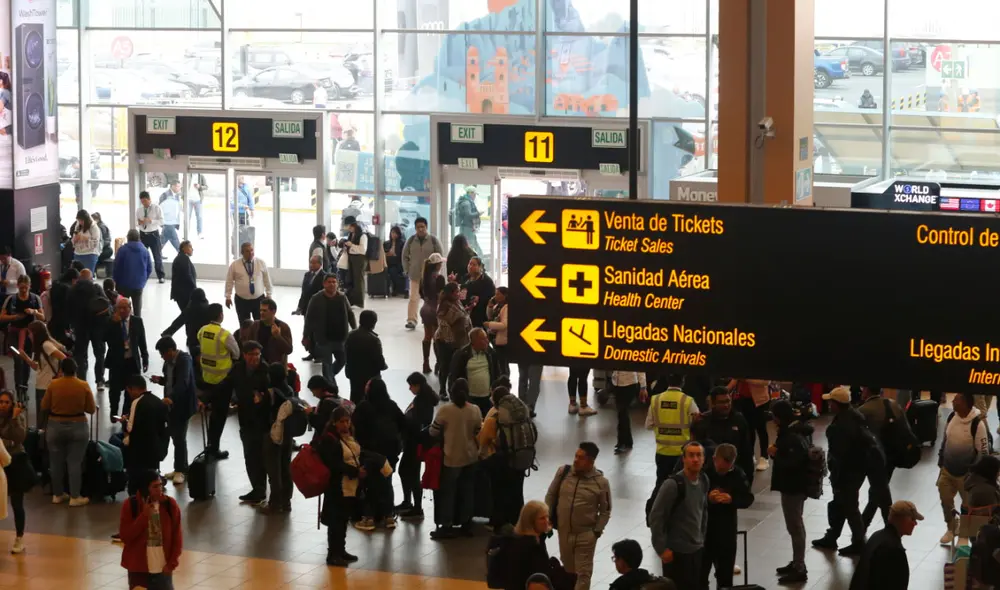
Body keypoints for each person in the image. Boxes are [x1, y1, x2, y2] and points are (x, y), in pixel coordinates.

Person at [812, 386, 876, 556]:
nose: (829, 405)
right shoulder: (856, 416)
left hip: (846, 473)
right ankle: (832, 536)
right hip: (858, 470)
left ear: (836, 404)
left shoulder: (840, 426)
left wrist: (836, 477)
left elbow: (840, 455)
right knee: (842, 505)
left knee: (850, 508)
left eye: (831, 402)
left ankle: (859, 543)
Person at [544, 441, 611, 590]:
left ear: (591, 461)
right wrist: (547, 517)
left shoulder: (601, 482)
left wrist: (596, 532)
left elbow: (606, 510)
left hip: (585, 535)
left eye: (581, 457)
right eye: (576, 456)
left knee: (583, 574)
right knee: (568, 572)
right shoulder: (563, 472)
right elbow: (551, 495)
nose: (576, 460)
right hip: (564, 532)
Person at [648, 441, 709, 588]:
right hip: (676, 553)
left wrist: (701, 537)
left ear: (704, 459)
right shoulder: (673, 484)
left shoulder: (704, 480)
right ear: (684, 459)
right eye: (691, 455)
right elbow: (656, 516)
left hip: (696, 550)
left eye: (698, 455)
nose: (695, 459)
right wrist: (661, 549)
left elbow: (703, 510)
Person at [428, 379, 482, 539]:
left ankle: (446, 526)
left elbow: (433, 432)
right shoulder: (475, 410)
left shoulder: (445, 410)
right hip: (470, 456)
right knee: (467, 492)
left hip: (451, 458)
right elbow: (478, 431)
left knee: (448, 493)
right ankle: (466, 524)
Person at [219, 341, 271, 505]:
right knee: (250, 455)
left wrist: (262, 398)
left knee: (264, 457)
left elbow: (273, 393)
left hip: (263, 421)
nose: (254, 358)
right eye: (251, 354)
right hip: (246, 419)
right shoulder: (238, 369)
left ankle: (264, 489)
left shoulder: (266, 370)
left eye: (257, 354)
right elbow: (226, 385)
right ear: (244, 355)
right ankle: (258, 489)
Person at [40, 358, 96, 507]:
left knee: (56, 462)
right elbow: (91, 409)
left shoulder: (53, 384)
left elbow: (44, 405)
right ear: (75, 370)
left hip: (55, 425)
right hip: (78, 426)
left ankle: (57, 495)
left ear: (61, 370)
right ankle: (75, 496)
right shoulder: (83, 385)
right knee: (75, 462)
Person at [352, 377, 405, 529]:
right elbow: (403, 423)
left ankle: (368, 518)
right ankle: (388, 517)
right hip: (391, 452)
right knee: (386, 482)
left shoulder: (363, 406)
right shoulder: (391, 405)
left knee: (370, 483)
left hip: (371, 452)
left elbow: (354, 426)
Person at [769, 399, 813, 584]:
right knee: (794, 526)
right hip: (794, 486)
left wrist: (775, 454)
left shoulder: (791, 435)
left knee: (795, 527)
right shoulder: (795, 430)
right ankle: (796, 562)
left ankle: (799, 567)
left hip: (793, 487)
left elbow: (794, 463)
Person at [937, 391, 989, 545]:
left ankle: (964, 536)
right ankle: (952, 528)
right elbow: (945, 440)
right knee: (945, 499)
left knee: (968, 506)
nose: (952, 401)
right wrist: (941, 460)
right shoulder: (952, 417)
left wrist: (975, 475)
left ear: (966, 403)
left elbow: (984, 452)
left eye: (957, 400)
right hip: (947, 470)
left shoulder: (977, 424)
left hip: (966, 475)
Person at [700, 443, 754, 589]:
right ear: (714, 459)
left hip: (726, 531)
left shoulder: (738, 474)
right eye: (720, 467)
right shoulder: (704, 472)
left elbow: (748, 498)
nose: (722, 471)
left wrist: (732, 499)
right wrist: (707, 498)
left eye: (726, 468)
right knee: (700, 575)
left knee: (725, 576)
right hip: (704, 530)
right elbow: (691, 497)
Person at [118, 469, 183, 590]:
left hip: (163, 570)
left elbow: (177, 537)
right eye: (155, 486)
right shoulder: (131, 505)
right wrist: (144, 517)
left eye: (160, 485)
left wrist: (171, 564)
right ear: (145, 488)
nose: (160, 489)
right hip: (138, 570)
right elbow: (126, 536)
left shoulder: (170, 505)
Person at [644, 374, 700, 514]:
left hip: (662, 451)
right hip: (681, 453)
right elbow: (698, 422)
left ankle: (654, 511)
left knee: (661, 483)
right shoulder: (688, 401)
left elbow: (648, 425)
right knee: (682, 485)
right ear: (683, 381)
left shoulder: (656, 399)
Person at [316, 406, 363, 567]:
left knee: (343, 519)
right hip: (336, 486)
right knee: (336, 520)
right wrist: (355, 471)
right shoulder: (330, 439)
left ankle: (340, 550)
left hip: (348, 485)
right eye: (342, 422)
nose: (345, 425)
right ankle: (333, 554)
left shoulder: (347, 436)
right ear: (334, 422)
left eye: (347, 421)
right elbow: (334, 464)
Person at [479, 386, 530, 530]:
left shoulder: (495, 418)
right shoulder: (520, 413)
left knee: (499, 491)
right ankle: (517, 521)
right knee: (517, 491)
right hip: (521, 456)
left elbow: (483, 440)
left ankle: (498, 522)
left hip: (503, 459)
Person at [858, 385, 906, 527]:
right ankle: (864, 524)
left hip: (876, 458)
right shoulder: (893, 404)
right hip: (893, 455)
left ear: (867, 390)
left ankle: (890, 528)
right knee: (878, 491)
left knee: (881, 493)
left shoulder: (864, 410)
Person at [197, 303, 241, 459]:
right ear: (220, 315)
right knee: (219, 416)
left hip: (207, 377)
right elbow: (236, 353)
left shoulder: (202, 331)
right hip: (223, 380)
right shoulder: (224, 334)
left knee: (212, 414)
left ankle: (211, 445)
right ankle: (213, 447)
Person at [848, 500, 922, 590]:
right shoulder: (894, 550)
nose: (915, 523)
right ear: (902, 520)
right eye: (912, 519)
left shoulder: (877, 536)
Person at [153, 337, 197, 486]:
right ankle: (180, 467)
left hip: (182, 405)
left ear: (171, 350)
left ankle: (180, 471)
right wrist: (160, 380)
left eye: (163, 353)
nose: (162, 357)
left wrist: (171, 398)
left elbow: (183, 382)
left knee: (179, 437)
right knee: (175, 436)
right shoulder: (168, 363)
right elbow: (170, 380)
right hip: (171, 405)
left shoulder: (184, 360)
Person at [691, 386, 755, 484]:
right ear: (713, 403)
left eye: (728, 401)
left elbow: (746, 450)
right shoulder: (704, 421)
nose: (726, 405)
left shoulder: (739, 420)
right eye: (722, 402)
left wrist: (748, 478)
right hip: (710, 477)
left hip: (734, 475)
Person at [397, 372, 439, 520]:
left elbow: (416, 422)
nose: (409, 388)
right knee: (409, 472)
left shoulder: (423, 402)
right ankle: (410, 502)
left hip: (414, 443)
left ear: (418, 385)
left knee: (409, 472)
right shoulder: (423, 399)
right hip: (414, 442)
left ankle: (414, 505)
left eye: (411, 385)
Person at [303, 274, 356, 387]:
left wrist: (355, 330)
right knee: (326, 364)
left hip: (341, 337)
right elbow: (309, 318)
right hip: (324, 339)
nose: (332, 284)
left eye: (334, 282)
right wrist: (306, 335)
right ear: (324, 284)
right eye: (329, 282)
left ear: (337, 284)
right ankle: (331, 387)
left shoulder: (342, 297)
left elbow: (350, 314)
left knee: (342, 360)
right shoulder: (316, 298)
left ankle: (328, 378)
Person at [121, 375, 169, 496]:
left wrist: (124, 421)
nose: (130, 394)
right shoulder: (159, 401)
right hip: (157, 449)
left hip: (140, 452)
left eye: (129, 391)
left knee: (137, 487)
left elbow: (130, 428)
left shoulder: (137, 402)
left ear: (134, 389)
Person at [105, 298, 149, 418]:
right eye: (120, 308)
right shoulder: (111, 321)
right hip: (116, 361)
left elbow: (142, 340)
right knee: (114, 389)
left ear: (130, 308)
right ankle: (113, 411)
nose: (122, 310)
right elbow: (104, 338)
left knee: (131, 390)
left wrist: (145, 357)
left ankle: (126, 414)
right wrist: (113, 324)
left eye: (125, 308)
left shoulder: (137, 321)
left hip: (132, 361)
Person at [17, 320, 68, 421]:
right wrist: (26, 358)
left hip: (47, 386)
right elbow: (37, 367)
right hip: (41, 385)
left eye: (30, 333)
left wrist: (60, 373)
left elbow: (64, 358)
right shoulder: (41, 346)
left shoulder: (46, 345)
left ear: (36, 333)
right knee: (42, 417)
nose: (29, 336)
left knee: (44, 418)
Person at [68, 268, 111, 387]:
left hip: (80, 327)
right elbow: (106, 304)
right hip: (97, 327)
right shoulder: (96, 288)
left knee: (81, 355)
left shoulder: (72, 290)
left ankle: (82, 381)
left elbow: (68, 309)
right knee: (99, 353)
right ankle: (99, 380)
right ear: (91, 278)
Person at [1, 275, 44, 394]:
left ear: (29, 286)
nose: (24, 291)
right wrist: (15, 317)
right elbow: (2, 316)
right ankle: (18, 389)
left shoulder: (35, 299)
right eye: (21, 288)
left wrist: (34, 311)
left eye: (26, 288)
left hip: (30, 335)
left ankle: (24, 387)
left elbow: (43, 317)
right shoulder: (11, 299)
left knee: (27, 361)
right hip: (14, 334)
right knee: (18, 360)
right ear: (17, 286)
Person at [262, 363, 293, 514]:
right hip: (288, 434)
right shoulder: (289, 390)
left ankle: (274, 503)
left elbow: (263, 410)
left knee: (274, 471)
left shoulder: (271, 392)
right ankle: (287, 502)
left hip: (274, 434)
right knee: (286, 468)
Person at [403, 217, 444, 330]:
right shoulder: (411, 240)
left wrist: (436, 271)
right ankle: (411, 320)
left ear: (426, 227)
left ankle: (432, 319)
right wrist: (407, 270)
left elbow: (439, 256)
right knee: (413, 297)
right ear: (415, 228)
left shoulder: (433, 240)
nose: (420, 229)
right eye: (418, 227)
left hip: (430, 276)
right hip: (415, 274)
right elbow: (404, 256)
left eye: (423, 227)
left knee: (432, 298)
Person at [0, 390, 28, 554]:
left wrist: (13, 419)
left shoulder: (18, 417)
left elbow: (19, 437)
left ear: (12, 404)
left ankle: (19, 537)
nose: (3, 405)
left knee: (17, 502)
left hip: (16, 461)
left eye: (6, 402)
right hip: (1, 462)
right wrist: (7, 441)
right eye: (1, 402)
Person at [449, 327, 500, 417]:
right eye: (483, 339)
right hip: (469, 399)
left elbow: (497, 373)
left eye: (486, 338)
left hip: (487, 399)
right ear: (474, 341)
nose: (487, 341)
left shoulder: (491, 353)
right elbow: (454, 377)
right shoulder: (461, 355)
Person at [505, 501, 555, 590]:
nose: (547, 521)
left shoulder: (538, 538)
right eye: (542, 518)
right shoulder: (528, 546)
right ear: (531, 522)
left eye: (547, 516)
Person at [436, 283, 472, 399]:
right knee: (445, 366)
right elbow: (449, 323)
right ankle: (443, 390)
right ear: (450, 293)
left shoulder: (456, 302)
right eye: (457, 291)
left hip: (458, 341)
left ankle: (453, 390)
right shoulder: (444, 307)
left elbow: (461, 315)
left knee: (455, 367)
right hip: (446, 342)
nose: (459, 293)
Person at [344, 310, 387, 403]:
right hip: (370, 375)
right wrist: (384, 366)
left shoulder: (350, 336)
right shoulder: (374, 340)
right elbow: (379, 360)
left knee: (355, 396)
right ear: (373, 323)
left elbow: (345, 354)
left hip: (354, 373)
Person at [729, 379, 772, 471]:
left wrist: (747, 379)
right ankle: (750, 454)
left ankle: (764, 457)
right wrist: (727, 389)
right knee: (748, 428)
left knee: (761, 428)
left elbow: (766, 382)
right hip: (744, 399)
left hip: (760, 401)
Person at [225, 242, 273, 325]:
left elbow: (267, 279)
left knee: (261, 324)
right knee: (244, 325)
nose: (250, 253)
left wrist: (269, 295)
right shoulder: (235, 265)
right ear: (242, 253)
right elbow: (229, 281)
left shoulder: (261, 263)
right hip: (241, 301)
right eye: (247, 251)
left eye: (252, 250)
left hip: (259, 300)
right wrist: (228, 296)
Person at [113, 230, 153, 318]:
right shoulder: (145, 250)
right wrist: (143, 281)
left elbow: (116, 267)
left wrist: (116, 280)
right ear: (139, 238)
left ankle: (122, 327)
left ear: (128, 238)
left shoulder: (122, 250)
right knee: (137, 310)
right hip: (138, 285)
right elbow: (149, 268)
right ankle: (137, 328)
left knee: (122, 309)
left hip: (123, 285)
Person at [243, 298, 294, 366]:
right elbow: (247, 345)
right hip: (257, 366)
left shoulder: (283, 327)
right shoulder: (255, 325)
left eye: (264, 310)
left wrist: (278, 337)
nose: (261, 313)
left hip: (274, 367)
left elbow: (289, 350)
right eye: (260, 310)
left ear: (273, 311)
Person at [418, 253, 446, 374]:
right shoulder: (439, 278)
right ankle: (438, 364)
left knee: (427, 336)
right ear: (438, 265)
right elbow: (441, 296)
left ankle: (425, 362)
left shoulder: (423, 277)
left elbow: (421, 294)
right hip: (436, 309)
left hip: (425, 308)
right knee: (437, 338)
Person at [162, 288, 211, 357]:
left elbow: (179, 322)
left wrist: (167, 333)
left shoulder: (190, 308)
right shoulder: (208, 307)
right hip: (206, 338)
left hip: (192, 338)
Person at [610, 370, 647, 455]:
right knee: (622, 412)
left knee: (622, 412)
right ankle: (627, 442)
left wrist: (643, 386)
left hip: (629, 384)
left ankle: (622, 442)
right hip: (616, 383)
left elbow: (640, 368)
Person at [135, 193, 166, 283]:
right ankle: (141, 275)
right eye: (142, 201)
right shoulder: (139, 210)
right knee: (141, 256)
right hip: (143, 234)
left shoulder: (156, 208)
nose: (144, 203)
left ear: (149, 199)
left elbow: (162, 221)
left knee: (157, 256)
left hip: (154, 235)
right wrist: (139, 222)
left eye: (145, 201)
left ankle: (161, 276)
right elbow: (136, 222)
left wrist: (151, 221)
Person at [461, 257, 495, 329]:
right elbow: (462, 293)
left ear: (480, 267)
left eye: (474, 264)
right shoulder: (465, 278)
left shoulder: (486, 281)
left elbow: (491, 297)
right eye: (470, 264)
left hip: (481, 314)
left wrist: (479, 299)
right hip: (466, 313)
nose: (470, 266)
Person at [341, 221, 369, 308]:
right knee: (352, 279)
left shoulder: (362, 236)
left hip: (359, 259)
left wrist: (352, 245)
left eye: (351, 227)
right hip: (352, 258)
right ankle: (352, 300)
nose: (349, 228)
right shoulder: (351, 235)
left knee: (358, 280)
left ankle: (360, 301)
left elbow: (362, 249)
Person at [484, 287, 509, 375]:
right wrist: (489, 307)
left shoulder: (506, 308)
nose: (495, 296)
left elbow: (504, 325)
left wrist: (489, 324)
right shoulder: (497, 306)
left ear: (505, 295)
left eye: (498, 294)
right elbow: (490, 317)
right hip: (494, 338)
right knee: (498, 362)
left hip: (501, 339)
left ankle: (504, 382)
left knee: (502, 364)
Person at [452, 187, 482, 255]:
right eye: (474, 194)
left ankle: (479, 259)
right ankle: (479, 259)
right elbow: (468, 215)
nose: (475, 196)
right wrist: (478, 213)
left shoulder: (464, 201)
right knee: (472, 245)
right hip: (467, 228)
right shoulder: (467, 203)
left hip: (465, 227)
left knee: (472, 244)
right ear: (470, 193)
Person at [71, 210, 103, 274]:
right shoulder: (77, 225)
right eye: (79, 220)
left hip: (90, 254)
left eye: (81, 220)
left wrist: (85, 238)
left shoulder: (94, 227)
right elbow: (73, 240)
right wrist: (75, 239)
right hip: (78, 253)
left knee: (87, 276)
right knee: (77, 275)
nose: (80, 222)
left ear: (86, 219)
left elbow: (95, 243)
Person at [170, 240, 197, 313]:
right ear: (183, 248)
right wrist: (195, 288)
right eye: (190, 247)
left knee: (186, 316)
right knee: (187, 316)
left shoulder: (182, 258)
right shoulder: (183, 259)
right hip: (184, 294)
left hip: (183, 293)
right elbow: (187, 275)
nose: (192, 249)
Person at [158, 180, 183, 256]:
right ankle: (181, 253)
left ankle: (158, 253)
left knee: (164, 239)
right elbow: (161, 208)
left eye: (179, 186)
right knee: (174, 239)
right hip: (167, 222)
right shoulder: (165, 195)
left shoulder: (177, 195)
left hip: (172, 221)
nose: (179, 188)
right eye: (178, 186)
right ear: (172, 186)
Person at [384, 225, 408, 297]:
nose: (393, 235)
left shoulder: (402, 243)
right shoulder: (386, 243)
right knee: (390, 270)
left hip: (399, 264)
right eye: (392, 233)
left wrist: (393, 255)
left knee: (393, 270)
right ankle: (394, 289)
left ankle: (397, 289)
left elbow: (402, 255)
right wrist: (388, 254)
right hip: (388, 263)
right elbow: (383, 254)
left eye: (395, 233)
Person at [189, 173, 207, 239]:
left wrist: (200, 187)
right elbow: (183, 186)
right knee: (187, 217)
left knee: (199, 217)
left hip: (198, 200)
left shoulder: (201, 176)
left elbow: (206, 186)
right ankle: (186, 233)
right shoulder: (188, 175)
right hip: (188, 199)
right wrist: (183, 197)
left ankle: (200, 233)